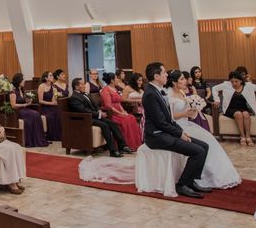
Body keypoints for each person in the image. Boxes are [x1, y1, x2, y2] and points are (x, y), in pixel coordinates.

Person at [142, 62, 209, 199]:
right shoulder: (150, 94)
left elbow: (170, 119)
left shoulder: (160, 91)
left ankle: (191, 181)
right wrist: (179, 134)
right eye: (164, 72)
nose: (167, 74)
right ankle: (182, 184)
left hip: (166, 132)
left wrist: (181, 132)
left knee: (204, 146)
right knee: (197, 151)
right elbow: (160, 123)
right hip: (156, 136)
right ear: (156, 76)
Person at [166, 71, 240, 189]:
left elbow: (191, 115)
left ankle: (212, 175)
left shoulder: (181, 93)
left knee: (209, 138)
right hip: (178, 127)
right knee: (203, 142)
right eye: (182, 79)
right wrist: (185, 113)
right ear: (174, 82)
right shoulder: (168, 95)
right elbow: (169, 117)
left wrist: (195, 107)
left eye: (185, 79)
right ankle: (195, 178)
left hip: (187, 123)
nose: (185, 81)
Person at [69, 78, 132, 157]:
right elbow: (83, 110)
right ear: (76, 86)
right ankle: (113, 151)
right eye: (82, 84)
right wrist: (98, 115)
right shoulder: (74, 97)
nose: (84, 86)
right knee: (105, 125)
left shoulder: (85, 94)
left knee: (112, 123)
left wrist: (99, 111)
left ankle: (122, 146)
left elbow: (94, 105)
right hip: (85, 119)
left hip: (93, 116)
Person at [211, 71, 256, 146]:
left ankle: (248, 137)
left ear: (241, 80)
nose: (234, 84)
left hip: (243, 108)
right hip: (230, 109)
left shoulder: (248, 85)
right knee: (238, 114)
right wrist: (217, 100)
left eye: (236, 81)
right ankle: (242, 136)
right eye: (232, 82)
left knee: (246, 114)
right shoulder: (226, 85)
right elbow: (214, 88)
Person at [100, 72, 141, 150]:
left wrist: (123, 111)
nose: (117, 80)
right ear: (112, 80)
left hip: (119, 110)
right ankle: (126, 145)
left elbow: (119, 102)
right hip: (112, 113)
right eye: (116, 78)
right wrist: (120, 113)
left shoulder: (115, 88)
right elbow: (109, 106)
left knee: (131, 117)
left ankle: (135, 143)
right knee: (126, 120)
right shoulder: (106, 90)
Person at [9, 73, 49, 147]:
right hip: (19, 111)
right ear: (19, 81)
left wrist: (28, 101)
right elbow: (13, 105)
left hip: (24, 109)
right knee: (34, 114)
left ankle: (39, 139)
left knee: (36, 113)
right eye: (23, 79)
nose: (24, 81)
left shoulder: (21, 90)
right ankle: (34, 140)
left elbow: (22, 101)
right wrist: (24, 105)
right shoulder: (13, 92)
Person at [37, 71, 61, 141]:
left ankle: (58, 135)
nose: (52, 77)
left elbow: (54, 100)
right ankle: (50, 136)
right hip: (44, 107)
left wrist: (56, 96)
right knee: (50, 116)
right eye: (50, 76)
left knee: (59, 113)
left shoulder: (54, 87)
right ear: (46, 78)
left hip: (52, 106)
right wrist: (52, 104)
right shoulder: (41, 86)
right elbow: (40, 101)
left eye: (52, 76)